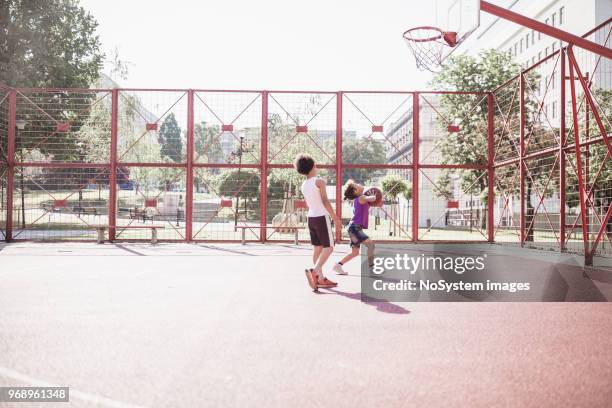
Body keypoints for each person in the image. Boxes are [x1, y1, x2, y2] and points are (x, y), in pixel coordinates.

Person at [294, 154, 342, 290]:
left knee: (318, 248)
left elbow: (311, 203)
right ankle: (315, 271)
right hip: (321, 217)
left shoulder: (304, 185)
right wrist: (336, 219)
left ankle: (319, 278)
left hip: (311, 217)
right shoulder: (319, 182)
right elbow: (325, 201)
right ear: (313, 166)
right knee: (329, 247)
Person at [332, 179, 376, 275]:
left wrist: (376, 200)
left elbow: (371, 203)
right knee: (371, 245)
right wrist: (375, 195)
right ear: (356, 191)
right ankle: (372, 269)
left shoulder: (360, 199)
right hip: (355, 228)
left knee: (355, 252)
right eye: (357, 185)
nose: (360, 184)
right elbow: (372, 198)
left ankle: (338, 265)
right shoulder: (362, 197)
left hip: (353, 228)